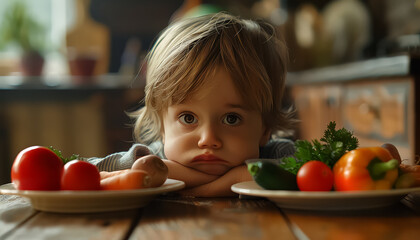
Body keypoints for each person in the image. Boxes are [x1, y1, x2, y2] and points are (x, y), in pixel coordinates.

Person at [88, 12, 296, 197]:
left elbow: (318, 171)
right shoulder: (148, 159)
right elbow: (81, 170)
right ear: (162, 127)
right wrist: (163, 169)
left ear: (265, 129)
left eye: (231, 119)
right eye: (188, 118)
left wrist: (221, 183)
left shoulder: (279, 155)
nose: (208, 140)